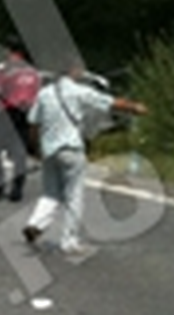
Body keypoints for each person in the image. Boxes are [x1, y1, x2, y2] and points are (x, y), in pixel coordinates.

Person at [22, 58, 148, 258]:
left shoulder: (44, 94)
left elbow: (33, 123)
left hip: (49, 151)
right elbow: (110, 102)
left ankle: (35, 223)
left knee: (50, 192)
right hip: (71, 148)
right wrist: (135, 107)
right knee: (74, 195)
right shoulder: (79, 91)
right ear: (74, 71)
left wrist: (35, 148)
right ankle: (69, 241)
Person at [0, 39, 41, 202]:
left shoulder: (5, 69)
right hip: (26, 113)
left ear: (11, 51)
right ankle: (17, 189)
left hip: (8, 112)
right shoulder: (33, 72)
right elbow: (38, 95)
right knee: (19, 152)